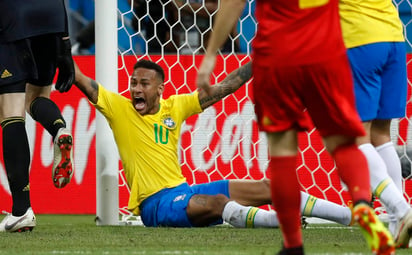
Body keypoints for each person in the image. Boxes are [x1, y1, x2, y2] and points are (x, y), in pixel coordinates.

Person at [196, 0, 394, 254]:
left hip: (278, 56)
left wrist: (211, 54)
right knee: (343, 143)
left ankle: (292, 245)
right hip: (326, 53)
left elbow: (234, 2)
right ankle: (363, 204)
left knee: (282, 154)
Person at [73, 58, 356, 229]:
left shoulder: (176, 106)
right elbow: (84, 81)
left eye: (144, 84)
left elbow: (226, 86)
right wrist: (59, 48)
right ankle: (279, 223)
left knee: (272, 186)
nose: (135, 89)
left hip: (182, 190)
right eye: (133, 82)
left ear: (159, 89)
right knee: (220, 203)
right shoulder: (119, 108)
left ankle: (349, 216)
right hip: (154, 205)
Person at [339, 0, 412, 248]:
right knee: (380, 135)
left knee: (354, 138)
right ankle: (398, 226)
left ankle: (402, 211)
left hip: (359, 38)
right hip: (393, 34)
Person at [0, 0, 75, 232]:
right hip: (51, 21)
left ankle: (21, 211)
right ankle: (59, 129)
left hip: (12, 18)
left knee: (11, 110)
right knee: (36, 97)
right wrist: (65, 45)